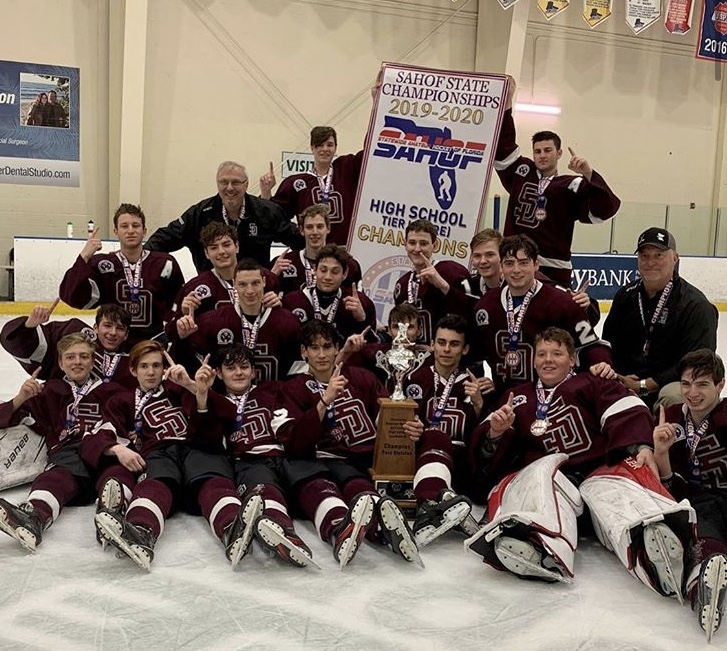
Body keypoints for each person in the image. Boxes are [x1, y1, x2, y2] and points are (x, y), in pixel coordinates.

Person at [466, 328, 695, 597]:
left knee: (621, 484)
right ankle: (538, 546)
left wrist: (642, 445)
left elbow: (628, 410)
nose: (548, 360)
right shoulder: (516, 397)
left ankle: (650, 544)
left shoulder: (593, 383)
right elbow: (487, 454)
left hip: (595, 474)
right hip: (555, 487)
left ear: (573, 359)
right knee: (536, 476)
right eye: (541, 354)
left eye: (557, 353)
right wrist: (496, 433)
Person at [92, 341, 253, 571]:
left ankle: (232, 527)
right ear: (132, 370)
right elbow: (101, 432)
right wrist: (118, 448)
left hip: (197, 447)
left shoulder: (177, 389)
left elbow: (228, 413)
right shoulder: (122, 400)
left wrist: (191, 385)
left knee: (212, 480)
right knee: (156, 483)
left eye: (156, 365)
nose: (151, 372)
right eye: (145, 366)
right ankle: (140, 532)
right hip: (158, 453)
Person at [279, 320, 422, 568]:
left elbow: (387, 416)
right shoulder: (292, 388)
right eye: (314, 348)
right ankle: (342, 530)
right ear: (303, 351)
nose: (321, 354)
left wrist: (408, 424)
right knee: (321, 475)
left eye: (327, 346)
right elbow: (294, 443)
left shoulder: (362, 377)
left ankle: (386, 529)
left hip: (367, 459)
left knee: (360, 482)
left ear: (337, 348)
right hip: (325, 461)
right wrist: (324, 401)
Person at [0, 334, 142, 551]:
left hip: (108, 451)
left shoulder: (113, 391)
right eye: (71, 357)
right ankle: (35, 517)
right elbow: (7, 417)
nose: (77, 362)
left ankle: (113, 517)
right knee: (55, 477)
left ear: (93, 360)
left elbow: (141, 416)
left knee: (118, 475)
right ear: (60, 362)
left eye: (84, 356)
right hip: (69, 455)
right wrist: (21, 398)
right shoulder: (49, 390)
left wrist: (136, 431)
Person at [191, 344, 316, 567]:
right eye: (231, 368)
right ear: (218, 373)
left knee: (313, 481)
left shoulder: (273, 391)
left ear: (254, 371)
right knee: (263, 486)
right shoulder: (216, 400)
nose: (239, 372)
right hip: (250, 461)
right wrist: (202, 394)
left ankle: (338, 524)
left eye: (244, 366)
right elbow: (207, 440)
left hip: (286, 456)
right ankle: (283, 531)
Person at [494, 78, 621, 287]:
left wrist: (588, 174)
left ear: (559, 153)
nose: (542, 155)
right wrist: (507, 103)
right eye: (537, 151)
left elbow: (604, 210)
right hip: (515, 264)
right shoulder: (522, 171)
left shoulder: (572, 185)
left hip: (553, 270)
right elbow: (503, 149)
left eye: (548, 150)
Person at [471, 234, 612, 395]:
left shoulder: (562, 303)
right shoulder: (486, 306)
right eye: (509, 264)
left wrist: (602, 362)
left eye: (523, 263)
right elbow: (475, 352)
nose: (516, 270)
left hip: (554, 396)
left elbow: (590, 344)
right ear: (501, 267)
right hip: (504, 397)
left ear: (536, 264)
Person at [653, 349, 727, 642]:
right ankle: (705, 580)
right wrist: (660, 451)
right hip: (693, 502)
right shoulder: (670, 418)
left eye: (702, 384)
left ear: (720, 385)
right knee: (703, 525)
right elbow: (667, 480)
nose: (692, 393)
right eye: (686, 384)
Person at [602, 227, 718, 409]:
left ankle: (676, 436)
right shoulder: (626, 296)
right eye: (644, 256)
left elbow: (698, 363)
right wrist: (617, 375)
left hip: (671, 382)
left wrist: (646, 384)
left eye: (659, 255)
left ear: (675, 258)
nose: (650, 262)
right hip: (626, 379)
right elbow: (609, 343)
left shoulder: (695, 305)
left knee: (675, 396)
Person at [403, 314, 490, 540]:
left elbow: (483, 438)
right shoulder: (414, 378)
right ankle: (433, 504)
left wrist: (480, 404)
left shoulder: (474, 385)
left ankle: (436, 506)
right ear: (432, 345)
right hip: (423, 458)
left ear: (465, 349)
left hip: (462, 466)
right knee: (436, 436)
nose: (446, 349)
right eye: (441, 343)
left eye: (454, 344)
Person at [59, 203, 184, 346]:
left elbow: (178, 304)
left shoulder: (165, 264)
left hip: (152, 344)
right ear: (116, 231)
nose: (130, 231)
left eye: (136, 226)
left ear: (144, 231)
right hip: (113, 344)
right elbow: (70, 296)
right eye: (124, 226)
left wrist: (169, 335)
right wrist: (84, 256)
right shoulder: (102, 264)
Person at [144, 161, 304, 271]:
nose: (229, 188)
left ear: (246, 184)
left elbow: (298, 240)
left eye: (236, 182)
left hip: (253, 292)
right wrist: (141, 260)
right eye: (224, 182)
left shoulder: (266, 211)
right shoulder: (199, 213)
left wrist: (272, 271)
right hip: (212, 293)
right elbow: (166, 238)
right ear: (217, 183)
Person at [177, 258, 302, 382]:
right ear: (234, 284)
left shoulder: (288, 322)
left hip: (275, 399)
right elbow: (188, 360)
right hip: (226, 400)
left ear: (264, 282)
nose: (250, 291)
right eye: (243, 284)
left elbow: (298, 367)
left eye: (255, 283)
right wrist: (182, 337)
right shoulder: (212, 322)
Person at [164, 222, 280, 339]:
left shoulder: (266, 278)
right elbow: (169, 331)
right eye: (213, 247)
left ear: (237, 246)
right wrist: (183, 314)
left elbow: (286, 320)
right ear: (206, 253)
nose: (221, 251)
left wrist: (279, 305)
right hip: (216, 352)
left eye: (226, 245)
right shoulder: (194, 288)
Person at [262, 126, 364, 246]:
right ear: (311, 148)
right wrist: (266, 192)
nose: (325, 149)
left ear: (336, 147)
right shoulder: (296, 183)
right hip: (311, 251)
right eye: (319, 145)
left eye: (330, 145)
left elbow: (371, 150)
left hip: (343, 251)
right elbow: (275, 216)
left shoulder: (346, 168)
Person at [1, 302, 135, 388]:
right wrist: (30, 326)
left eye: (120, 328)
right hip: (59, 409)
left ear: (126, 334)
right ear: (95, 327)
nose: (112, 333)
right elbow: (28, 345)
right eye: (107, 326)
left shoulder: (132, 360)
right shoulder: (72, 333)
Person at [393, 219, 470, 343]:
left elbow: (472, 312)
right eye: (412, 243)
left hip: (445, 354)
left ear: (435, 245)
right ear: (405, 244)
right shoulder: (402, 284)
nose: (417, 249)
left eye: (423, 243)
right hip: (413, 354)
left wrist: (444, 287)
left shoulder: (453, 271)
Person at [282, 244, 376, 339]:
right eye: (323, 270)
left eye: (335, 272)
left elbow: (373, 346)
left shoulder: (360, 303)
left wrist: (362, 321)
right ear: (314, 269)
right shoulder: (292, 301)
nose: (328, 277)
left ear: (345, 273)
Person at [271, 203, 362, 295]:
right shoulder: (284, 263)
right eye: (309, 227)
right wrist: (272, 275)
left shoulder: (348, 264)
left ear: (328, 228)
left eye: (319, 226)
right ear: (302, 230)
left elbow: (360, 302)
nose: (314, 232)